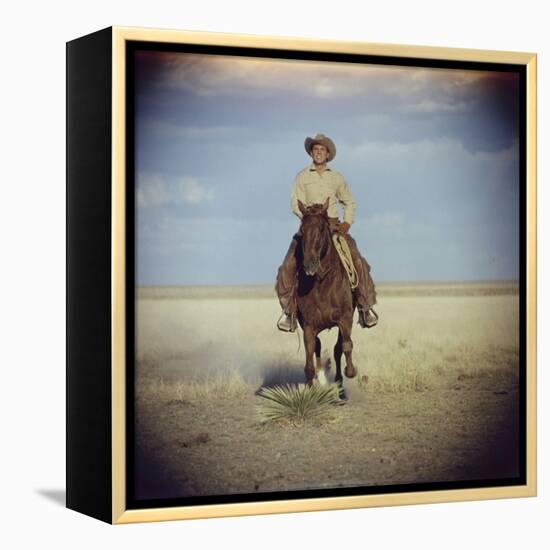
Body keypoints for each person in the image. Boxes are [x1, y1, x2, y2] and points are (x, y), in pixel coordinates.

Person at [275, 133, 378, 332]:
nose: (319, 153)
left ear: (328, 154)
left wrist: (347, 223)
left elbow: (349, 201)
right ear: (311, 153)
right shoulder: (302, 177)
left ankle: (365, 307)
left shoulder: (336, 177)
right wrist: (309, 218)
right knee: (287, 266)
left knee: (357, 260)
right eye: (315, 150)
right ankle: (288, 311)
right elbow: (294, 202)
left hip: (332, 225)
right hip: (309, 226)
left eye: (322, 150)